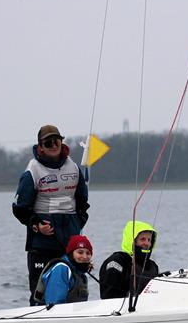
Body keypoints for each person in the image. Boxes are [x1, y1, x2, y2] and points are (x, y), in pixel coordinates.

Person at [13, 125, 89, 305]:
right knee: (41, 291)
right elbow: (19, 208)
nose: (53, 145)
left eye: (56, 141)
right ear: (40, 147)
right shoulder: (32, 170)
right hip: (42, 243)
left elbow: (83, 203)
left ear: (62, 142)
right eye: (48, 143)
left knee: (73, 286)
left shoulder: (74, 168)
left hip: (69, 240)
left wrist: (77, 224)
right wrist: (37, 225)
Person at [99, 220, 159, 299]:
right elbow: (109, 297)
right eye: (142, 239)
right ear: (132, 241)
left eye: (149, 240)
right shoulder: (117, 262)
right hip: (122, 309)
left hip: (152, 308)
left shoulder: (153, 266)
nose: (147, 243)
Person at [34, 235, 94, 306]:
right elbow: (54, 305)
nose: (85, 257)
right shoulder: (61, 269)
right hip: (53, 314)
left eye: (88, 253)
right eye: (80, 252)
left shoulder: (81, 275)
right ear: (71, 254)